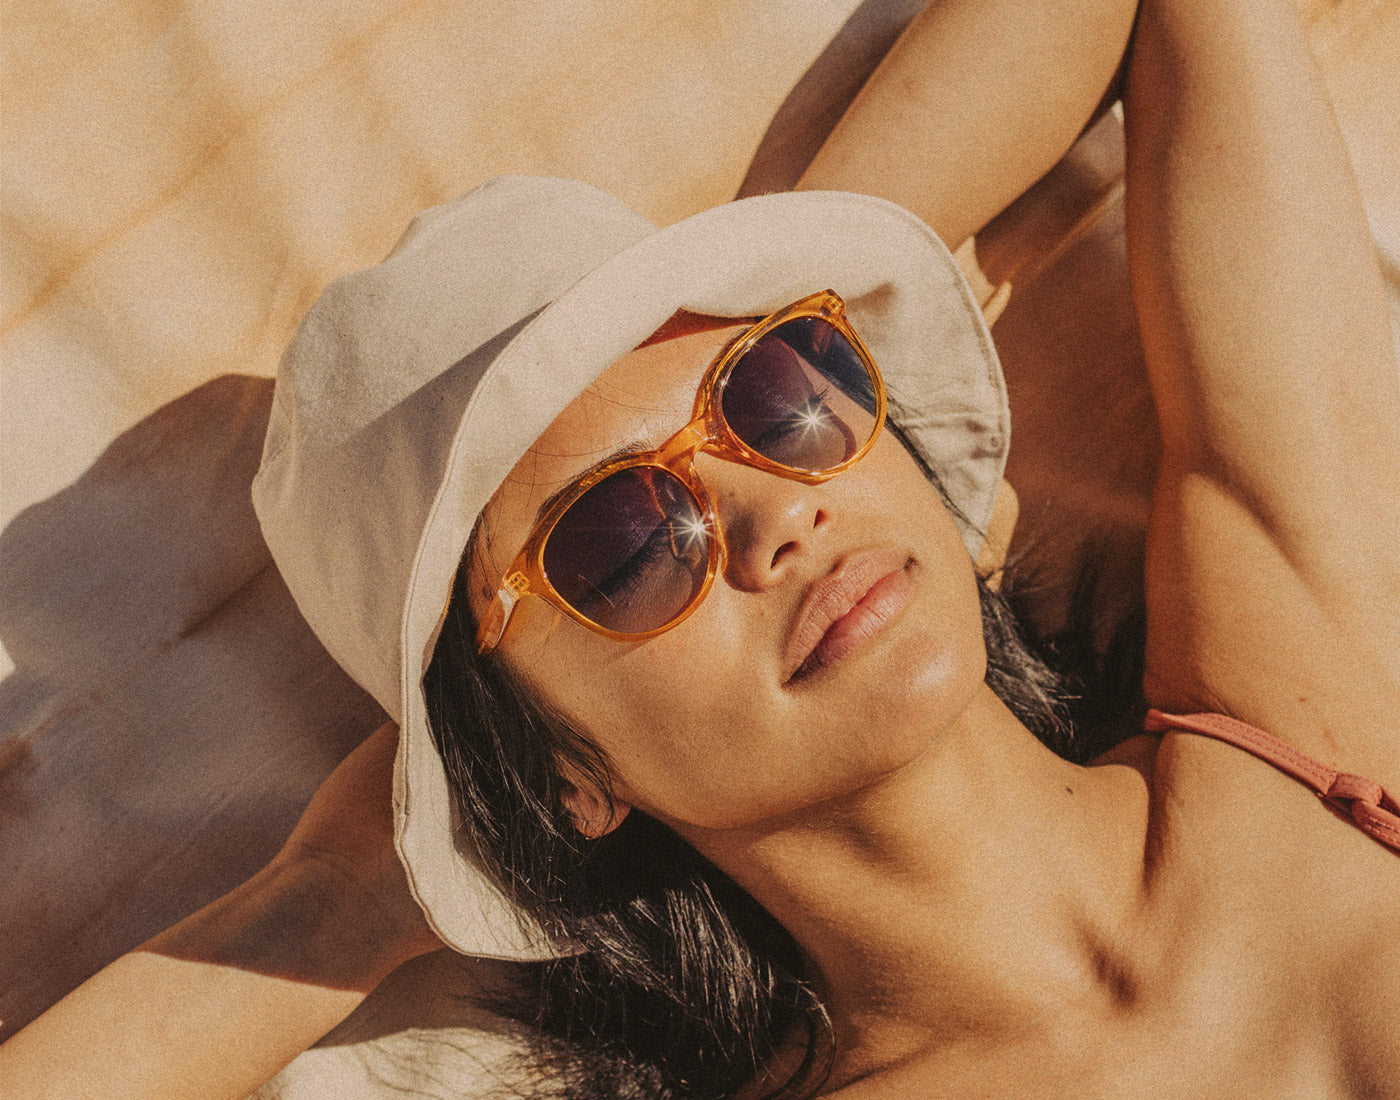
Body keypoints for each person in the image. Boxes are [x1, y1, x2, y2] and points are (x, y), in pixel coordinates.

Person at [2, 0, 1397, 1097]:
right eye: (618, 541)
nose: (775, 512)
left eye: (782, 396)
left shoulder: (1302, 698)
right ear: (569, 775)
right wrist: (342, 899)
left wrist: (780, 272)